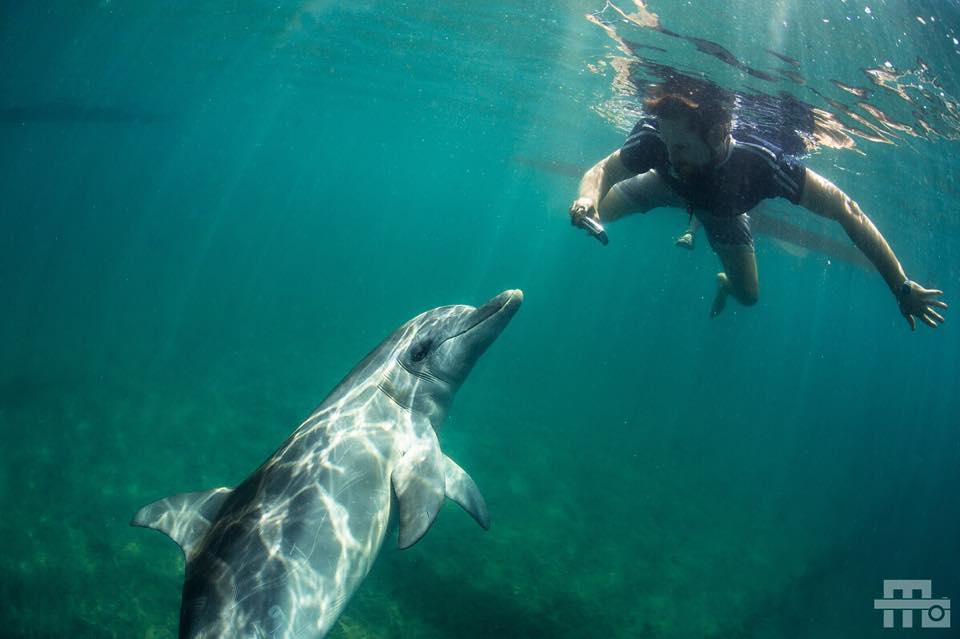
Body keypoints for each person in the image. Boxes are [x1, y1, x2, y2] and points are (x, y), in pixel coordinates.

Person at [569, 87, 948, 329]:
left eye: (681, 146)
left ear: (717, 135)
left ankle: (723, 282)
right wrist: (587, 198)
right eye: (667, 143)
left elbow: (846, 210)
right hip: (664, 187)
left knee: (749, 297)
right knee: (596, 213)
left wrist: (900, 285)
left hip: (725, 212)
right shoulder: (660, 140)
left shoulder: (762, 164)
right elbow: (604, 169)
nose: (668, 153)